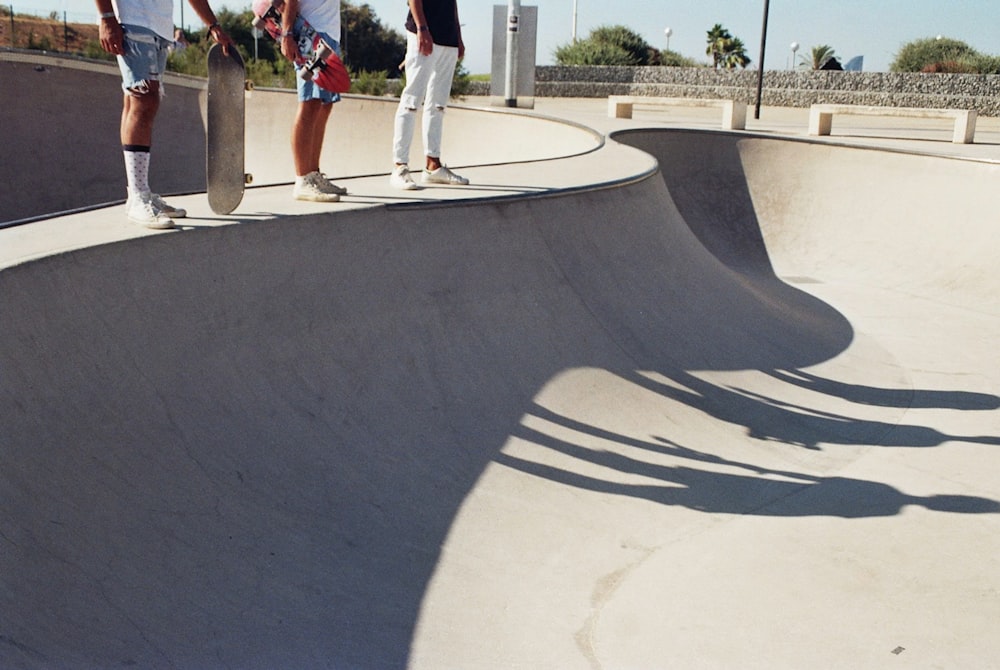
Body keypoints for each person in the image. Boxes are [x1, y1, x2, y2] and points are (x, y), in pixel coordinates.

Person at [96, 0, 234, 229]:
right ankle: (138, 196)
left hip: (160, 26)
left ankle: (140, 193)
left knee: (138, 99)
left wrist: (213, 25)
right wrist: (106, 17)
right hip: (131, 20)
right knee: (143, 98)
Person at [389, 0, 469, 190]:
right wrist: (421, 28)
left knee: (438, 105)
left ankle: (433, 166)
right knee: (411, 101)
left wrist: (458, 35)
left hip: (447, 37)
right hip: (423, 33)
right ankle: (399, 167)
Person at [277, 0, 346, 202]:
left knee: (325, 104)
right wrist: (287, 34)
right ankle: (302, 179)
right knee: (310, 102)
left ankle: (313, 173)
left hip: (329, 35)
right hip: (312, 35)